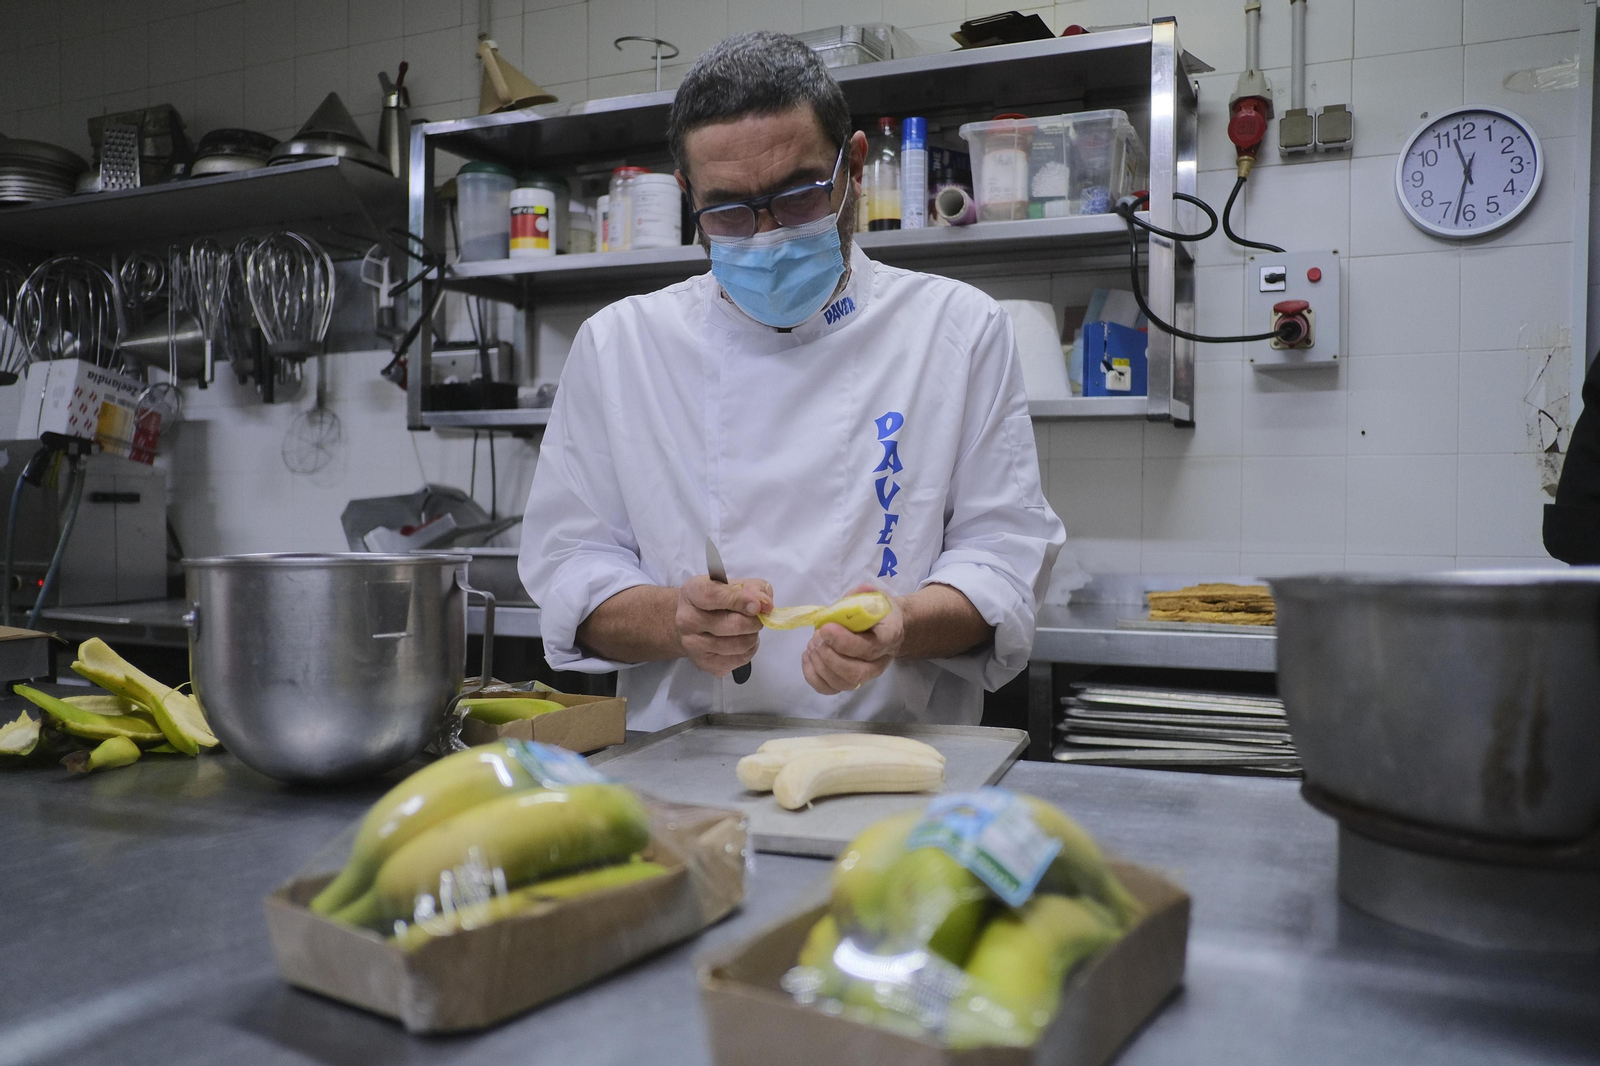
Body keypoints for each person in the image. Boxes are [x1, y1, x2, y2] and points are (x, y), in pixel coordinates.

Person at [518, 31, 1065, 730]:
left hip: (898, 764)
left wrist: (902, 625)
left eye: (799, 195)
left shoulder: (957, 330)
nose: (768, 235)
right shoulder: (619, 346)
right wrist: (673, 621)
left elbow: (1002, 565)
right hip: (679, 772)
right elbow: (569, 572)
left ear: (854, 167)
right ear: (689, 195)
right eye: (728, 211)